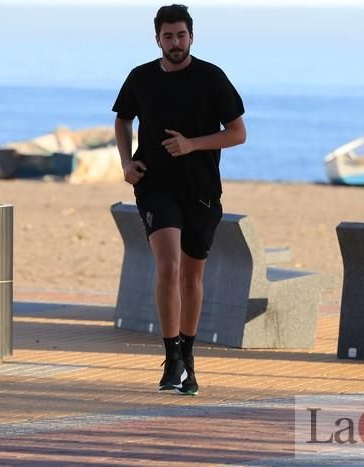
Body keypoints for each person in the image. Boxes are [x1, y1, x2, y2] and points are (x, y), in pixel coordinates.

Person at [112, 4, 246, 395]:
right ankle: (171, 357)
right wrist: (126, 162)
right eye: (168, 36)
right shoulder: (140, 77)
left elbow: (237, 133)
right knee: (167, 267)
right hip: (154, 185)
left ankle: (187, 356)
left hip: (201, 189)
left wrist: (192, 145)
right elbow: (122, 119)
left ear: (191, 36)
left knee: (192, 276)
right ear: (158, 39)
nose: (175, 42)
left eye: (181, 35)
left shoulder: (212, 77)